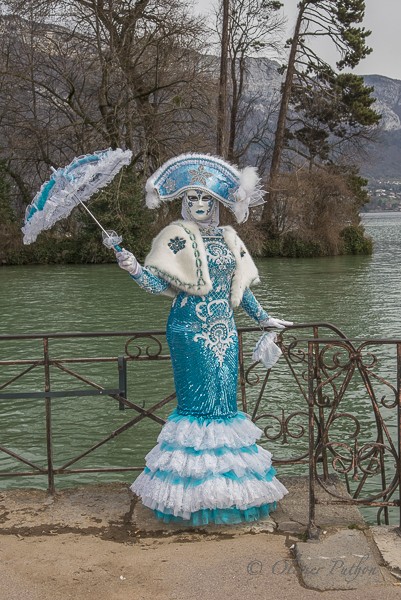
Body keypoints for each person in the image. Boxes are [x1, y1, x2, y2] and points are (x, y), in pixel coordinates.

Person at [116, 153, 291, 525]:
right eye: (191, 199)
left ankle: (228, 496)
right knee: (197, 409)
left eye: (205, 200)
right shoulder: (175, 238)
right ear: (182, 203)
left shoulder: (230, 237)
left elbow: (239, 288)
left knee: (224, 405)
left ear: (217, 204)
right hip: (188, 332)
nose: (198, 205)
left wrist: (263, 319)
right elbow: (155, 283)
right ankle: (192, 498)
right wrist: (132, 267)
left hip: (225, 333)